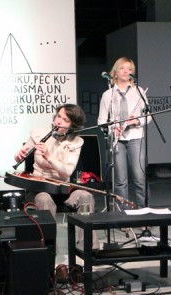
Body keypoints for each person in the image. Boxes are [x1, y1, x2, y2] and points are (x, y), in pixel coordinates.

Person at [14, 104, 99, 248]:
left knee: (86, 197)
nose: (59, 121)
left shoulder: (75, 142)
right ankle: (49, 249)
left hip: (62, 188)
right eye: (59, 116)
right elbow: (20, 154)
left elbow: (67, 172)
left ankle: (88, 247)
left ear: (73, 125)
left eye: (65, 120)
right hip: (39, 188)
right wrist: (19, 155)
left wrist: (49, 157)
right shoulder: (39, 134)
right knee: (45, 200)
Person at [98, 57, 152, 209]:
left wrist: (137, 121)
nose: (126, 71)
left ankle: (144, 210)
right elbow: (101, 120)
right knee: (120, 180)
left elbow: (148, 116)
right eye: (122, 68)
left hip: (136, 137)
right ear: (115, 72)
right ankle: (123, 212)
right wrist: (111, 128)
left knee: (140, 177)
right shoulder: (108, 94)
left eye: (129, 69)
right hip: (117, 140)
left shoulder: (139, 91)